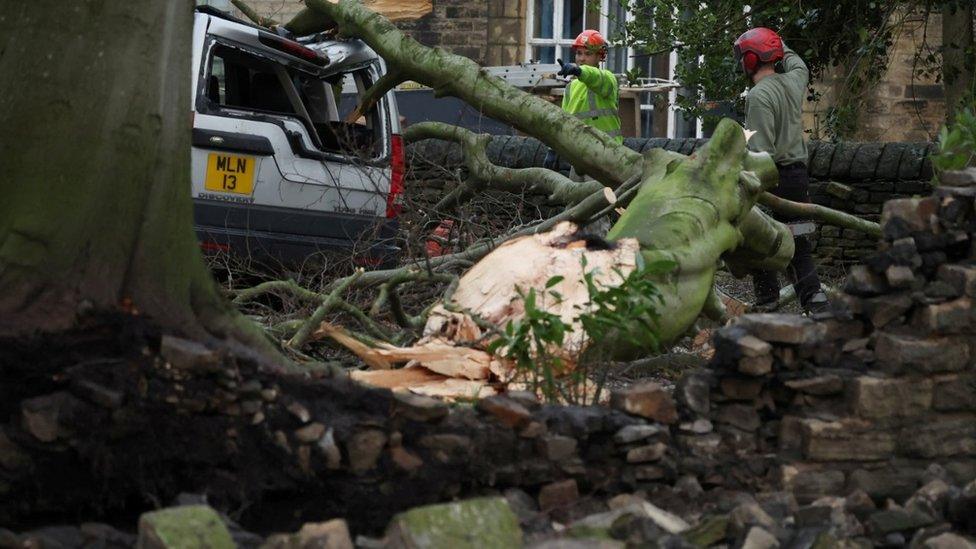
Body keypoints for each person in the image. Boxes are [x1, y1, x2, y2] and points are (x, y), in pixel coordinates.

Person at [734, 27, 830, 315]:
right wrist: (776, 41)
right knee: (798, 242)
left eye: (742, 56)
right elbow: (797, 61)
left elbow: (762, 151)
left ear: (751, 59)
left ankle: (767, 299)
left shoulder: (758, 96)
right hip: (797, 176)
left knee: (758, 238)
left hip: (771, 177)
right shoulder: (794, 80)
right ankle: (816, 302)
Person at [553, 30, 623, 181]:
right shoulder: (571, 87)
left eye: (588, 54)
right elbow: (563, 120)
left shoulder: (608, 79)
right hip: (579, 157)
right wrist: (554, 149)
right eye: (579, 53)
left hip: (606, 155)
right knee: (574, 201)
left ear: (600, 56)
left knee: (601, 202)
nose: (582, 58)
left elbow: (594, 76)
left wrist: (578, 70)